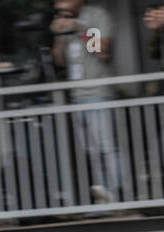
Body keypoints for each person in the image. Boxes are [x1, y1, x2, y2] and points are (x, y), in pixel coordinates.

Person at [51, 0, 120, 202]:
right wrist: (59, 35)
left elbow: (102, 53)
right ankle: (105, 196)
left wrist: (80, 28)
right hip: (77, 94)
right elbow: (59, 61)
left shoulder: (97, 16)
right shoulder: (63, 19)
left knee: (107, 148)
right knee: (92, 151)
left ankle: (120, 194)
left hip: (98, 91)